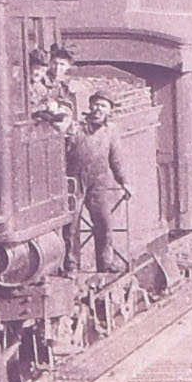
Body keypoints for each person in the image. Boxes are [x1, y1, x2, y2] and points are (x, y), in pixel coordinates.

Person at [63, 83, 132, 273]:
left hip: (99, 183)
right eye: (95, 104)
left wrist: (124, 181)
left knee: (103, 222)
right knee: (71, 225)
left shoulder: (111, 131)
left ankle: (105, 263)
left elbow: (116, 159)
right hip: (74, 181)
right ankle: (71, 265)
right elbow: (65, 151)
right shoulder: (76, 128)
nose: (98, 109)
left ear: (109, 110)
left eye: (103, 106)